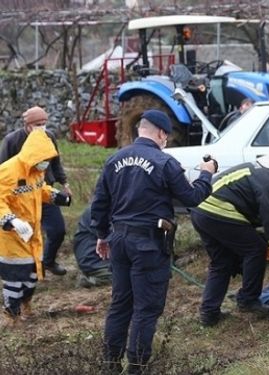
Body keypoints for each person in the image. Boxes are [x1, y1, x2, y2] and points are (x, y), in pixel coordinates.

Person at [91, 109, 217, 374]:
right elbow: (192, 198)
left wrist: (102, 235)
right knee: (146, 308)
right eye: (166, 137)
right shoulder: (164, 162)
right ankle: (136, 367)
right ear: (161, 133)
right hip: (148, 244)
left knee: (120, 304)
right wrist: (207, 173)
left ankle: (110, 365)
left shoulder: (114, 159)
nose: (166, 141)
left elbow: (100, 203)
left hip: (120, 240)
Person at [190, 153, 269, 327]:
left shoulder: (261, 172)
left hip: (200, 210)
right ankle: (248, 299)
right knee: (256, 249)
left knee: (221, 262)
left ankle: (209, 313)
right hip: (218, 210)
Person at [0, 129, 71, 327]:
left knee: (32, 274)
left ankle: (25, 304)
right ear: (33, 154)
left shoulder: (37, 171)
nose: (46, 163)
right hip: (11, 235)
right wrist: (11, 220)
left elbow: (39, 189)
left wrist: (57, 196)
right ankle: (11, 313)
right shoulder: (8, 171)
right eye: (44, 159)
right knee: (15, 277)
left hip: (32, 234)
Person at [0, 106, 72, 276]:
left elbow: (56, 163)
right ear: (28, 125)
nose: (42, 127)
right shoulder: (12, 140)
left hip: (44, 192)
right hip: (20, 198)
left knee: (58, 230)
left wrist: (64, 183)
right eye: (38, 124)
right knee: (23, 233)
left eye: (44, 123)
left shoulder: (49, 137)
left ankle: (48, 261)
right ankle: (20, 270)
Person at [73, 205, 111, 288]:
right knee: (123, 277)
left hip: (99, 257)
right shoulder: (97, 211)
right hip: (93, 259)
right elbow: (112, 236)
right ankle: (93, 280)